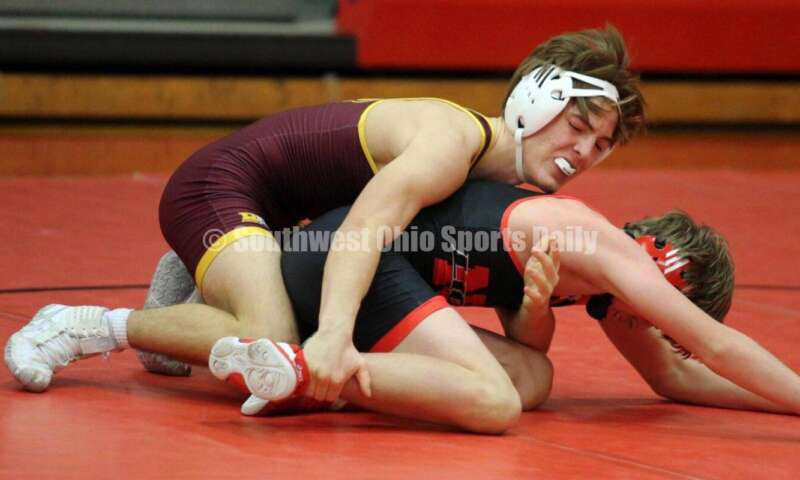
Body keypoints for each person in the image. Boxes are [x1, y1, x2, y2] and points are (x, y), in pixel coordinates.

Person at [8, 181, 800, 434]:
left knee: (534, 375)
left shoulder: (606, 290)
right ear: (670, 272)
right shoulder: (605, 253)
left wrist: (536, 313)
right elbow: (718, 351)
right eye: (668, 312)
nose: (655, 329)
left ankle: (289, 352)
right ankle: (316, 371)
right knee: (495, 405)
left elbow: (680, 380)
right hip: (352, 263)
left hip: (373, 275)